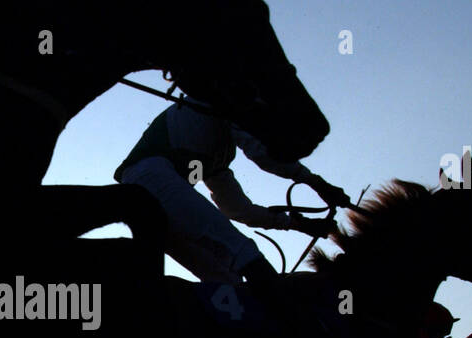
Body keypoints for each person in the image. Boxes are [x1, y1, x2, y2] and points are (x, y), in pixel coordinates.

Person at [114, 102, 347, 288]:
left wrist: (298, 225)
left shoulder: (217, 155)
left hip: (148, 197)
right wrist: (316, 182)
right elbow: (262, 154)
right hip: (147, 177)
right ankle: (300, 331)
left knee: (228, 281)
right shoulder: (222, 99)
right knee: (243, 253)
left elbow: (238, 209)